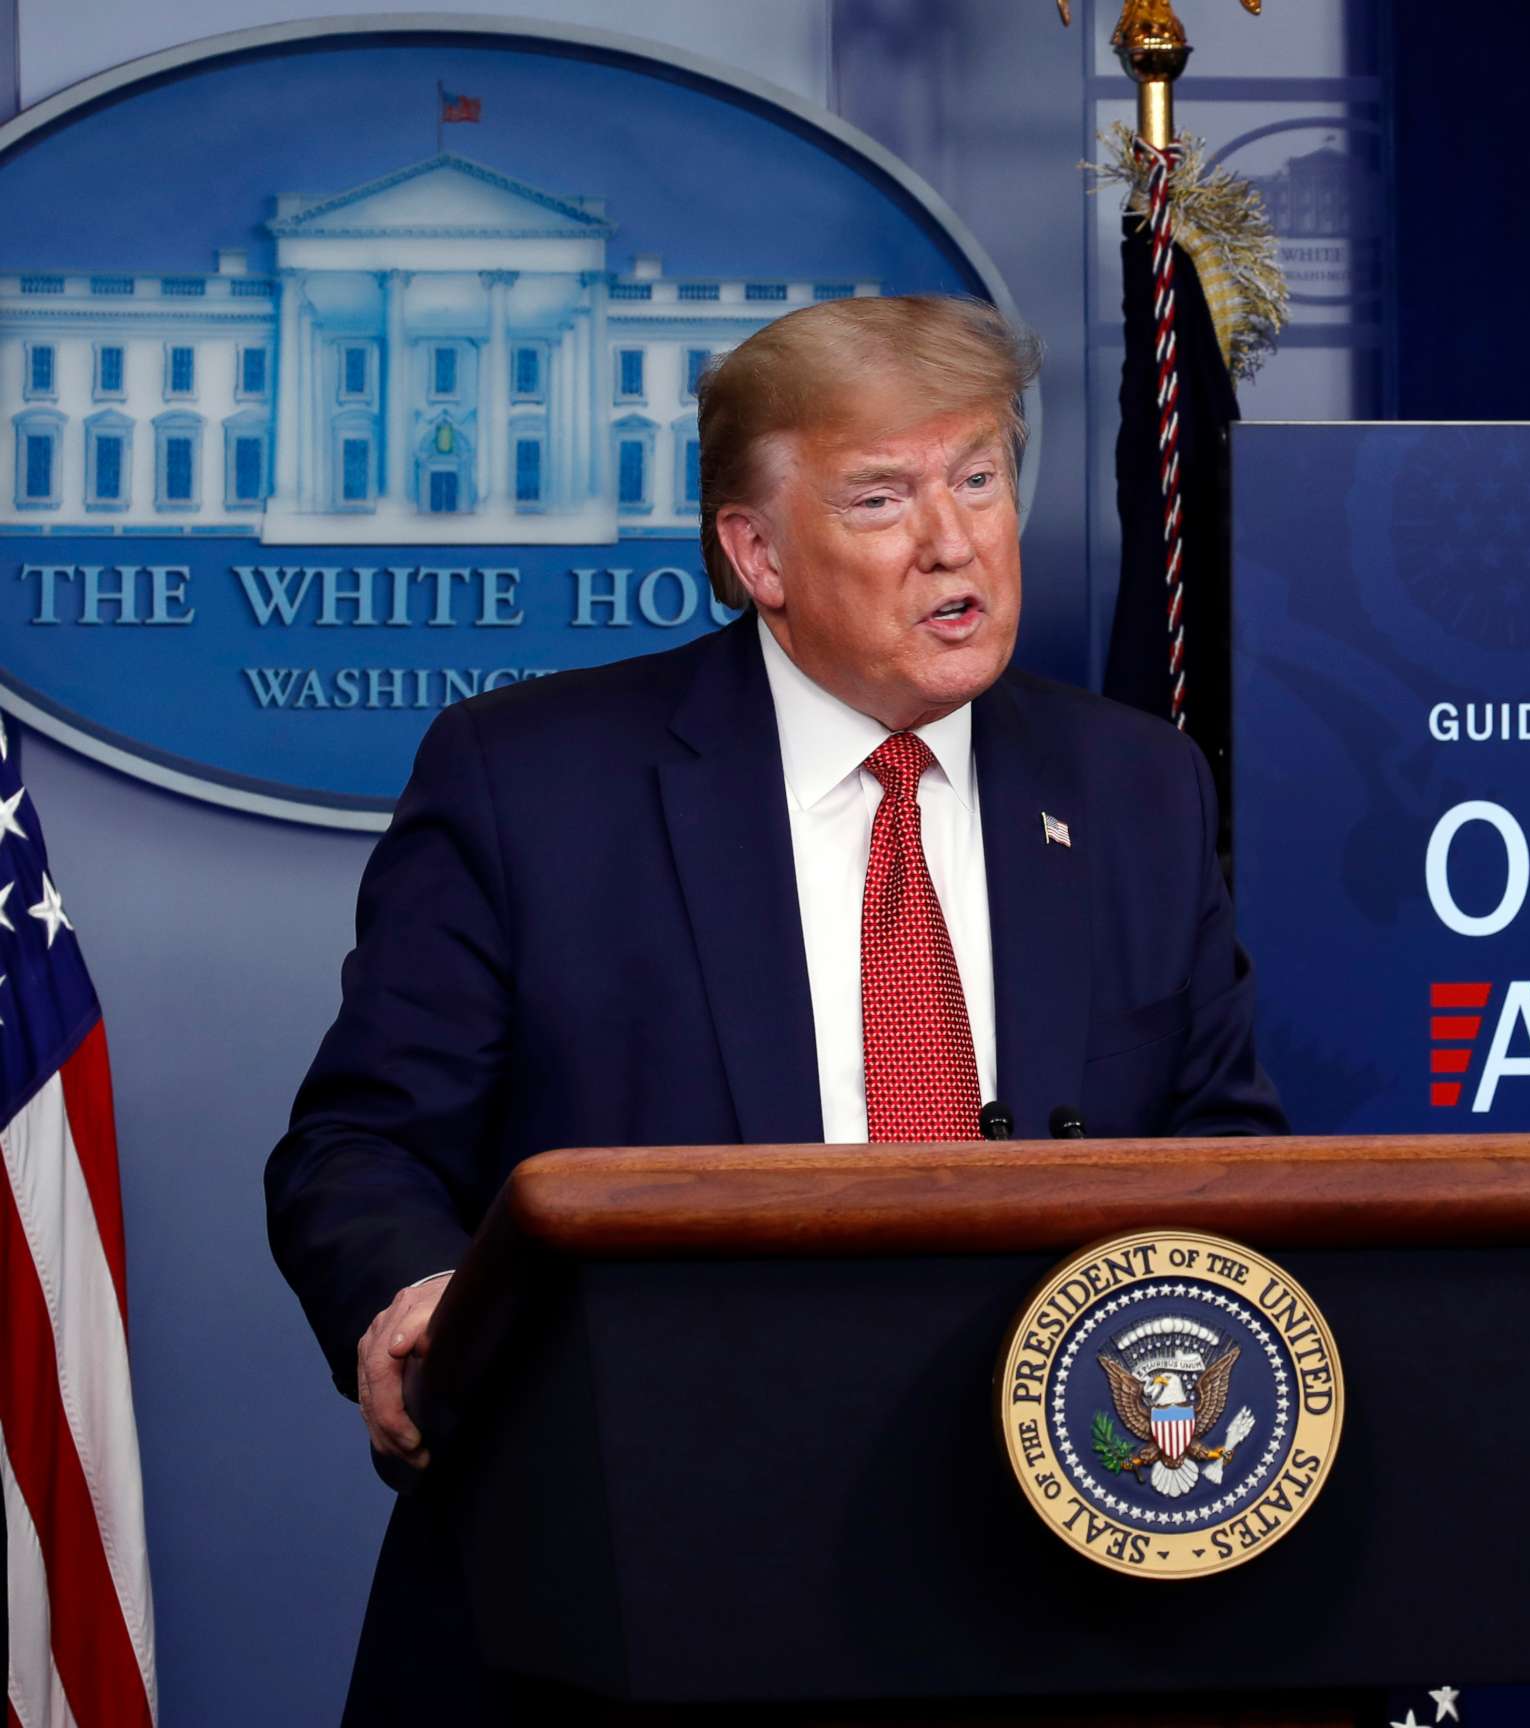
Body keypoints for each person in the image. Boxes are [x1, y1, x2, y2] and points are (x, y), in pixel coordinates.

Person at [264, 294, 1287, 1722]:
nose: (955, 541)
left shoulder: (1132, 790)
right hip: (630, 1577)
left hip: (1047, 1597)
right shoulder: (536, 781)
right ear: (758, 554)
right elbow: (361, 1146)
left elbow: (1222, 1147)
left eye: (980, 476)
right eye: (882, 498)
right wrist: (416, 1294)